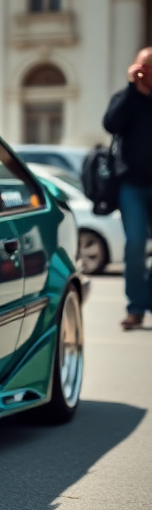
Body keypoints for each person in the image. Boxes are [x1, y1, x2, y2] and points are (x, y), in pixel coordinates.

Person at [103, 46, 152, 329]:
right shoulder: (126, 98)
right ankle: (135, 307)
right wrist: (132, 88)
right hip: (131, 186)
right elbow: (111, 124)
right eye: (145, 66)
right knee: (134, 245)